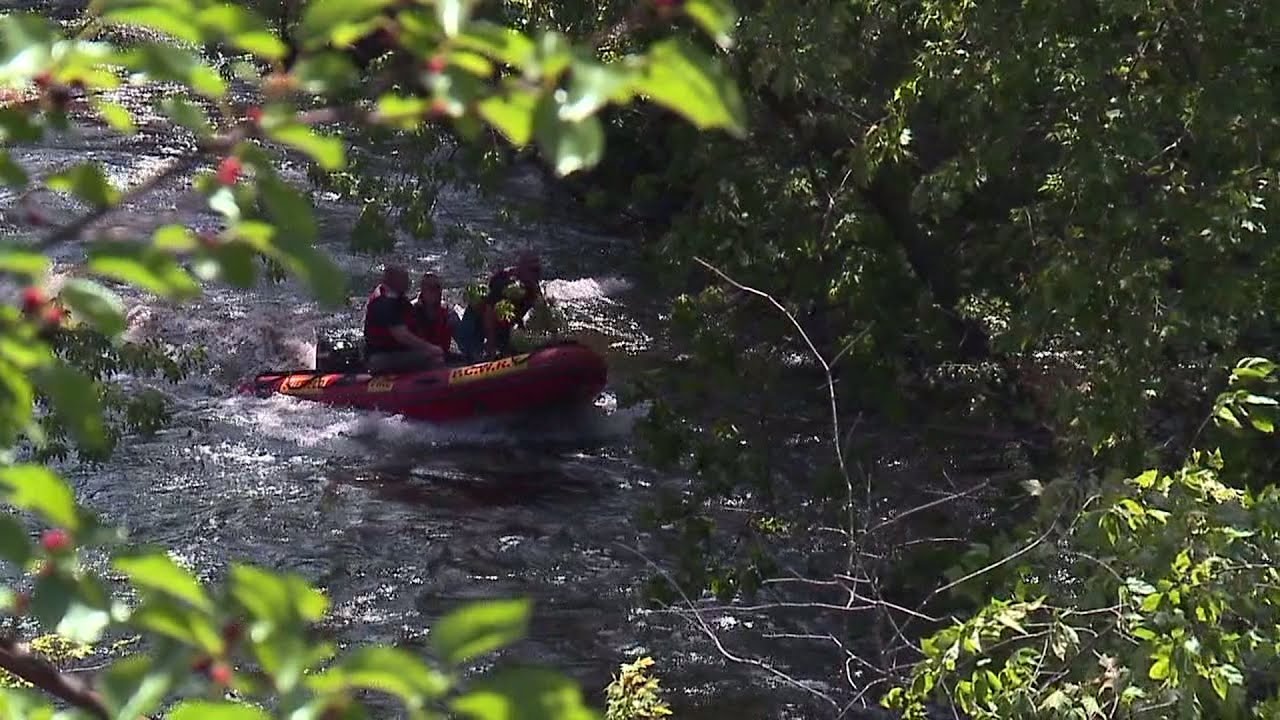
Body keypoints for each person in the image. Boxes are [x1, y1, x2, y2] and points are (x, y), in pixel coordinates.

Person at [454, 251, 543, 361]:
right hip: (476, 321)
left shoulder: (532, 288)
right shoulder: (506, 283)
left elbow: (528, 314)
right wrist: (491, 348)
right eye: (532, 270)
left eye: (537, 271)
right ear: (521, 269)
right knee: (472, 354)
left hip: (501, 325)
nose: (535, 275)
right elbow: (489, 312)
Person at [362, 266, 445, 373]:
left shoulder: (398, 299)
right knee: (434, 357)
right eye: (405, 278)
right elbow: (402, 336)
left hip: (395, 352)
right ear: (393, 280)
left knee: (430, 354)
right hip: (380, 357)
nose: (409, 282)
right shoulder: (383, 302)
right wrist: (430, 348)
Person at [407, 272, 458, 356]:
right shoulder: (411, 310)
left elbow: (462, 341)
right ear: (423, 289)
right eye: (430, 288)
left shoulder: (448, 312)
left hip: (442, 355)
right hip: (418, 358)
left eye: (437, 288)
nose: (435, 291)